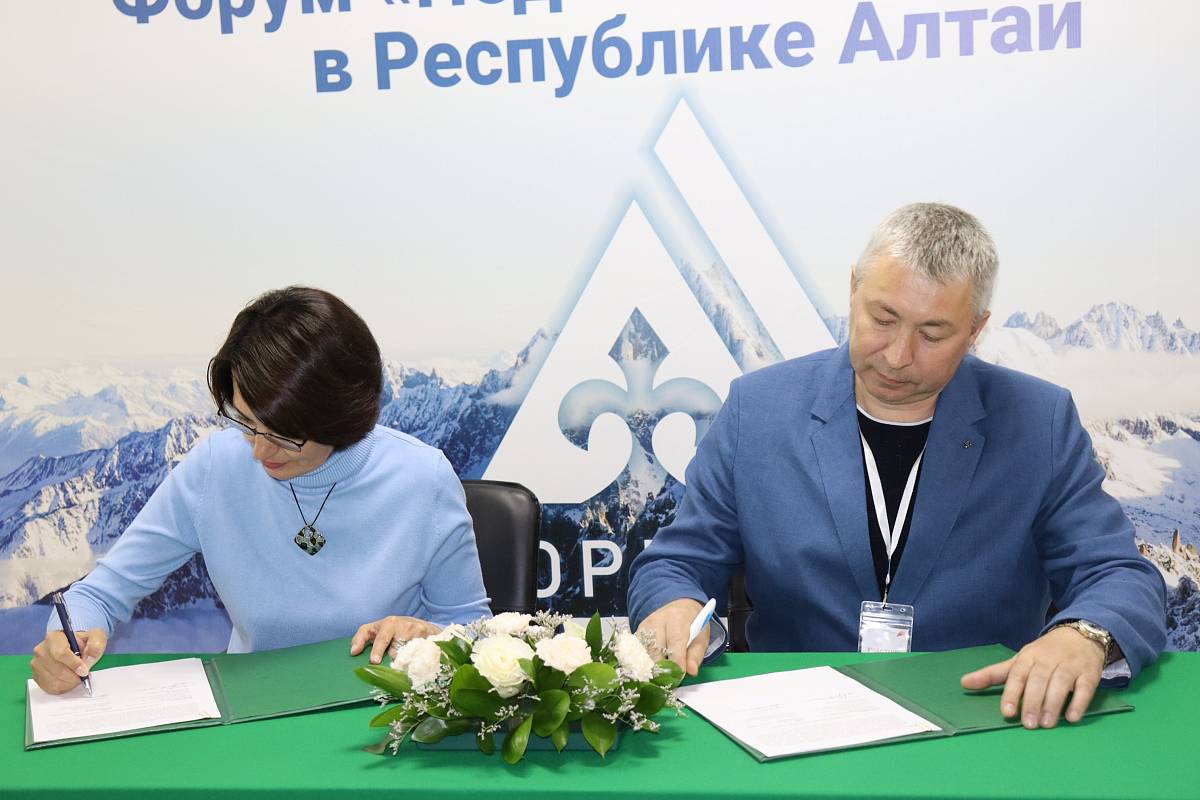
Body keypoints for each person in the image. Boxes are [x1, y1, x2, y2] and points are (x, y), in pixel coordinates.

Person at [628, 203, 1166, 730]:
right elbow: (675, 562)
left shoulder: (1037, 420)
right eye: (882, 319)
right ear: (854, 288)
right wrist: (673, 606)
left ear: (976, 328)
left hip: (979, 717)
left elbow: (1118, 574)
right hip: (794, 719)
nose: (897, 355)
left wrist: (1085, 636)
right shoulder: (759, 410)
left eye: (932, 334)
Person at [31, 287, 492, 693]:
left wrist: (431, 634)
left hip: (378, 711)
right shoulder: (216, 467)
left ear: (341, 417)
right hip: (252, 709)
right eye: (247, 423)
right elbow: (98, 594)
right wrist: (67, 644)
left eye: (285, 435)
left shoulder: (422, 479)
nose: (259, 451)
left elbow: (478, 632)